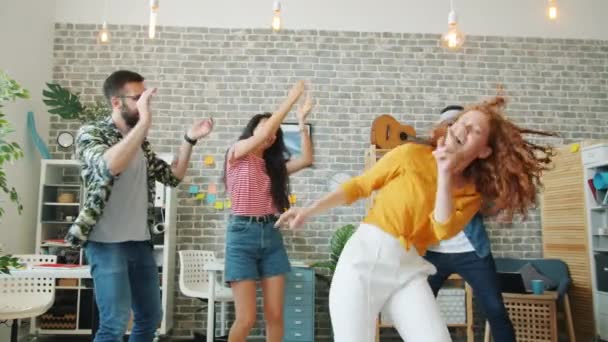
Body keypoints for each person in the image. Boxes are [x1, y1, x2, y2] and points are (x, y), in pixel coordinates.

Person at [276, 96, 556, 342]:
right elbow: (359, 186)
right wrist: (308, 210)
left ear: (484, 151)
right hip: (363, 260)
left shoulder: (472, 194)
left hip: (407, 270)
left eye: (476, 130)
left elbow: (442, 229)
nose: (464, 128)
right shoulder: (410, 154)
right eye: (462, 122)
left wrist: (445, 172)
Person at [66, 70, 214, 342]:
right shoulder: (91, 133)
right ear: (116, 102)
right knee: (114, 322)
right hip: (106, 243)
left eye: (147, 98)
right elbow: (109, 166)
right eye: (138, 98)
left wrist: (189, 140)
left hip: (139, 242)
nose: (145, 104)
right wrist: (144, 122)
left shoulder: (141, 143)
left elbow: (173, 176)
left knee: (149, 319)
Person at [223, 80, 314, 342]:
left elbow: (307, 159)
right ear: (253, 131)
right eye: (266, 128)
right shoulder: (236, 153)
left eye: (274, 131)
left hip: (271, 234)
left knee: (275, 315)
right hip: (242, 236)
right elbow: (262, 135)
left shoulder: (273, 167)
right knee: (246, 319)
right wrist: (292, 97)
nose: (271, 134)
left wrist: (300, 122)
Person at [425, 105, 515, 342]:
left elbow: (487, 209)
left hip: (472, 252)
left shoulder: (477, 172)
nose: (458, 132)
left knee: (495, 309)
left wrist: (500, 209)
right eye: (451, 125)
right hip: (432, 251)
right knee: (418, 310)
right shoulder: (428, 161)